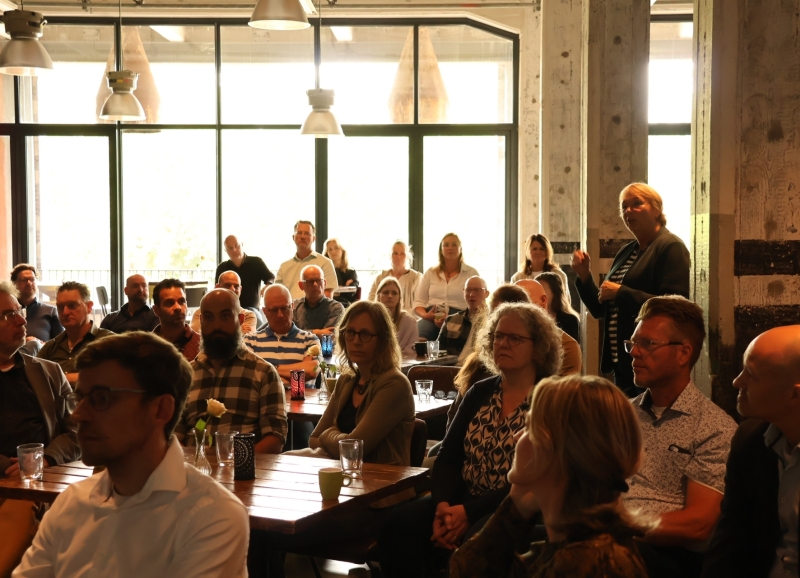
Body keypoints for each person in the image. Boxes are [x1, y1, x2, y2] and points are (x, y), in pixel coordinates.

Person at [14, 332, 249, 577]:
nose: (78, 415)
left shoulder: (211, 516)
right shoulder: (69, 504)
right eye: (79, 397)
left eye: (101, 399)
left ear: (160, 409)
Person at [378, 302, 563, 577]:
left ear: (538, 347)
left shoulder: (551, 399)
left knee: (478, 541)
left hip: (514, 508)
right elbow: (448, 457)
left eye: (514, 338)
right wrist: (443, 507)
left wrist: (467, 513)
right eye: (498, 336)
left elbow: (537, 480)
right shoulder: (480, 390)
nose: (503, 343)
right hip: (459, 499)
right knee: (399, 524)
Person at [450, 375, 652, 578]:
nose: (516, 437)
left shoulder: (587, 563)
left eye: (529, 427)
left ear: (556, 451)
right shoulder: (573, 545)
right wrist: (516, 506)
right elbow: (466, 571)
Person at [626, 295, 736, 578]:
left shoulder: (713, 427)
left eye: (648, 344)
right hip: (607, 536)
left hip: (667, 556)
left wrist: (618, 523)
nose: (635, 352)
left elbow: (698, 525)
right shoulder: (622, 414)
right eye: (633, 343)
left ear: (684, 353)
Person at [571, 182, 690, 396]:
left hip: (652, 359)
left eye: (637, 204)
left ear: (657, 209)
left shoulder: (670, 246)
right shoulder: (627, 251)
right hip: (624, 362)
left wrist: (621, 293)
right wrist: (584, 275)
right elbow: (601, 310)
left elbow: (676, 306)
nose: (628, 211)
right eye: (624, 207)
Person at [701, 325, 800, 578]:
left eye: (751, 374)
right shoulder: (751, 440)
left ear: (794, 394)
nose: (736, 382)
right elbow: (730, 541)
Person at [0, 281, 78, 577]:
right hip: (5, 477)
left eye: (19, 310)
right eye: (8, 315)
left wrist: (44, 460)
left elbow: (75, 432)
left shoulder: (48, 372)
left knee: (24, 503)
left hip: (36, 484)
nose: (22, 320)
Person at [300, 301, 415, 465]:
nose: (356, 341)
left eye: (365, 334)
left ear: (382, 340)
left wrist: (328, 435)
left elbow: (354, 449)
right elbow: (313, 438)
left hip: (382, 482)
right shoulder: (346, 379)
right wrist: (340, 440)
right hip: (341, 473)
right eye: (350, 332)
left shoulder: (395, 384)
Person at [174, 289, 287, 454]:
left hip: (244, 474)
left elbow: (275, 438)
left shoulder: (264, 373)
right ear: (201, 321)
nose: (217, 325)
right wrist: (191, 463)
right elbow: (173, 434)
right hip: (192, 472)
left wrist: (235, 464)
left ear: (240, 320)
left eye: (225, 316)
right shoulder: (185, 375)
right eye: (209, 317)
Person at [245, 284, 322, 388]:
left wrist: (270, 369)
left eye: (284, 308)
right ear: (265, 312)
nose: (280, 315)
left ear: (292, 306)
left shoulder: (309, 340)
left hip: (301, 403)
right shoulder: (250, 340)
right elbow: (248, 376)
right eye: (274, 310)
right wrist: (295, 373)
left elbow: (311, 371)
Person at [38, 282, 114, 385]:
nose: (65, 312)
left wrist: (66, 378)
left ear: (89, 307)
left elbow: (119, 377)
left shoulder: (109, 341)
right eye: (60, 307)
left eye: (72, 306)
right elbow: (34, 376)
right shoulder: (52, 347)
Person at [413, 233, 480, 341]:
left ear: (460, 248)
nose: (450, 248)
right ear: (441, 249)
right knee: (417, 339)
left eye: (454, 245)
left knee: (452, 343)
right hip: (432, 316)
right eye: (446, 245)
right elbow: (418, 303)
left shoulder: (471, 273)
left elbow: (478, 302)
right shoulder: (430, 272)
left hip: (460, 318)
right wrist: (427, 316)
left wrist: (452, 318)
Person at [515, 279, 582, 375]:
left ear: (543, 300)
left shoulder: (565, 346)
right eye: (512, 302)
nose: (515, 308)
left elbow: (562, 388)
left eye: (523, 301)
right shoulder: (503, 339)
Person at [275, 221, 338, 301]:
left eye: (307, 234)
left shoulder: (325, 263)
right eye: (299, 233)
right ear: (293, 237)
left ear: (314, 238)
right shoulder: (284, 266)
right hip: (289, 311)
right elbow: (277, 294)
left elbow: (327, 296)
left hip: (316, 312)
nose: (303, 236)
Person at [215, 234, 274, 311]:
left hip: (252, 309)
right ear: (226, 250)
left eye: (237, 245)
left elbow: (270, 277)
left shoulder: (256, 262)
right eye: (230, 248)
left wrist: (267, 286)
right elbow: (216, 290)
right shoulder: (222, 267)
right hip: (228, 309)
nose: (234, 250)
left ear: (242, 244)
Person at [437, 276, 489, 362]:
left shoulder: (493, 321)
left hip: (478, 370)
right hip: (451, 368)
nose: (471, 294)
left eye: (477, 290)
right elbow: (438, 350)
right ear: (463, 293)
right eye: (468, 290)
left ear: (486, 293)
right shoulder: (451, 320)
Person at [190, 271, 257, 335]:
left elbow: (247, 340)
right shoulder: (200, 312)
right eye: (227, 285)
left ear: (240, 289)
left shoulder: (248, 315)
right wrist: (237, 329)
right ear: (217, 287)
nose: (233, 289)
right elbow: (195, 337)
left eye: (236, 286)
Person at [151, 278, 201, 362]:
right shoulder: (146, 345)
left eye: (182, 302)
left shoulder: (200, 344)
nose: (178, 307)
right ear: (156, 310)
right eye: (169, 303)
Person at [10, 263, 62, 343]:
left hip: (41, 354)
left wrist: (38, 344)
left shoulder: (51, 311)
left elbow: (61, 344)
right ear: (14, 284)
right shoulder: (7, 312)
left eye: (32, 279)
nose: (29, 283)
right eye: (24, 280)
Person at [368, 240, 423, 315]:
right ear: (390, 256)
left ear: (407, 256)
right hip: (382, 318)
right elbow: (371, 302)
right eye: (395, 253)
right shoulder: (380, 278)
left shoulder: (416, 278)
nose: (398, 257)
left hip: (408, 318)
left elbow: (419, 304)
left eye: (402, 254)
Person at [511, 233, 571, 301]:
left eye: (542, 249)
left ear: (547, 252)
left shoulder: (559, 276)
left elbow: (566, 302)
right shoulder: (517, 278)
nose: (538, 252)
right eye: (534, 249)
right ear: (527, 252)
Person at [292, 265, 344, 337]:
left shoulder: (335, 308)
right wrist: (316, 332)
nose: (315, 284)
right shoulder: (294, 306)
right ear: (301, 285)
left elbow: (328, 337)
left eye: (319, 280)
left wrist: (300, 333)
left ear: (325, 283)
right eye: (310, 281)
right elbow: (288, 333)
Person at [375, 277, 419, 359]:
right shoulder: (371, 319)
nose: (390, 296)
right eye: (386, 292)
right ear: (378, 296)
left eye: (394, 293)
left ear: (399, 298)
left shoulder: (409, 321)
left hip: (402, 363)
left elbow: (411, 350)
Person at [537, 271, 580, 343]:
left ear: (555, 294)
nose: (539, 294)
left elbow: (570, 348)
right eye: (537, 291)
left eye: (543, 290)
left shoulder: (570, 320)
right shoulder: (530, 319)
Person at [324, 237, 359, 307]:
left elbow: (351, 292)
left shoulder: (351, 271)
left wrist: (334, 290)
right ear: (327, 253)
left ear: (342, 250)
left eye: (336, 248)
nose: (333, 251)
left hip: (346, 303)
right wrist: (344, 287)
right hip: (327, 303)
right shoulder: (323, 271)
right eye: (330, 249)